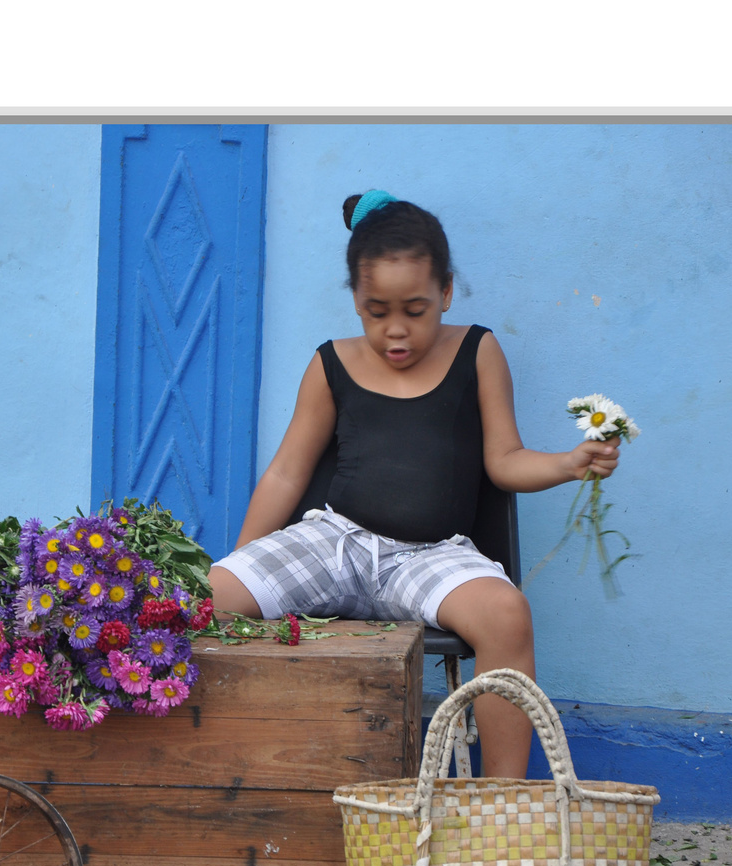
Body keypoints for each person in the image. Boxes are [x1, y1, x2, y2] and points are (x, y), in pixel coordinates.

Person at [208, 190, 621, 779]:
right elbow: (286, 472)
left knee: (508, 616)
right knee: (207, 601)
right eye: (377, 312)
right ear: (355, 298)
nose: (395, 332)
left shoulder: (476, 351)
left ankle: (500, 804)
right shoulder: (331, 363)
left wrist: (569, 462)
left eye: (416, 310)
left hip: (430, 557)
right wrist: (241, 559)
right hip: (336, 544)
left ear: (446, 292)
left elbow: (503, 461)